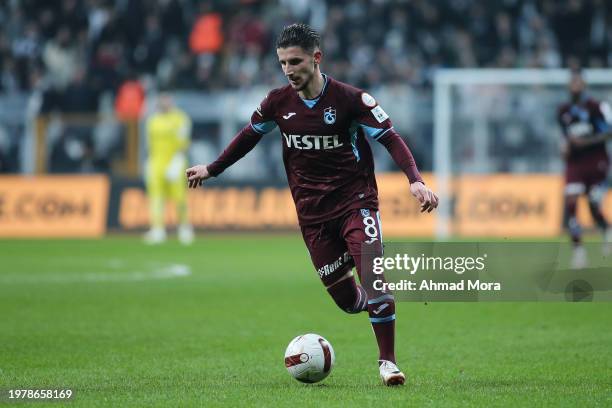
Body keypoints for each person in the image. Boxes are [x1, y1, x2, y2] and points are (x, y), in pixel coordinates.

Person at [186, 23, 438, 385]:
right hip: (313, 217)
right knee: (349, 301)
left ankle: (388, 363)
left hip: (356, 204)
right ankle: (376, 300)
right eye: (283, 63)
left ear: (316, 58)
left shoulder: (351, 100)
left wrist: (415, 180)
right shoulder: (277, 103)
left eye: (295, 61)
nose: (288, 70)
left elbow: (390, 138)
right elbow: (248, 137)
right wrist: (213, 168)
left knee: (375, 279)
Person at [558, 70, 612, 268]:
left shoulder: (596, 108)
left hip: (596, 161)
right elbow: (566, 137)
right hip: (575, 163)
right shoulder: (563, 111)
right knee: (571, 204)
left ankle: (606, 228)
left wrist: (585, 142)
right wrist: (565, 146)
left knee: (593, 204)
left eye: (578, 82)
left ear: (584, 85)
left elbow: (609, 132)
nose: (574, 86)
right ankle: (578, 251)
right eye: (572, 83)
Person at [144, 92, 194, 245]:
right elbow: (149, 143)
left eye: (167, 100)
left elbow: (184, 141)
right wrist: (148, 162)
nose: (164, 103)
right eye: (162, 100)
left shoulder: (180, 118)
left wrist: (177, 162)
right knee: (156, 197)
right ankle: (158, 229)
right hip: (156, 163)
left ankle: (184, 228)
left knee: (179, 197)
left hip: (175, 162)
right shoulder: (152, 120)